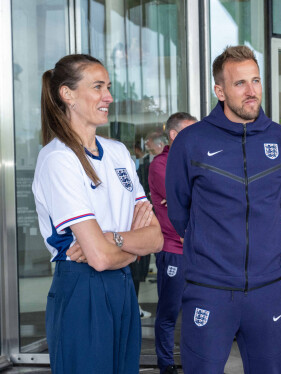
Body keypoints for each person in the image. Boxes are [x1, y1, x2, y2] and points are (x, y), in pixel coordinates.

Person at [165, 45, 281, 374]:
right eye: (240, 83)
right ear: (220, 90)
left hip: (267, 290)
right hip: (209, 290)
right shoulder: (191, 141)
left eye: (255, 80)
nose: (252, 91)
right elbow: (179, 210)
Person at [33, 54, 163, 373]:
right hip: (80, 287)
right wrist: (131, 249)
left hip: (120, 286)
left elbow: (156, 238)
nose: (109, 96)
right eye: (98, 87)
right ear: (68, 94)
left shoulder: (118, 152)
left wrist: (112, 240)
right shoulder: (58, 159)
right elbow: (100, 258)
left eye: (108, 86)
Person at [150, 112, 197, 374]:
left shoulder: (196, 161)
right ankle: (166, 365)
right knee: (169, 314)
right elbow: (188, 197)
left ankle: (195, 364)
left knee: (197, 314)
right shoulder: (160, 164)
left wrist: (189, 196)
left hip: (200, 251)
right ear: (174, 135)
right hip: (174, 251)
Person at [132, 130, 168, 319]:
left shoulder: (165, 163)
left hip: (164, 227)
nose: (146, 147)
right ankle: (133, 306)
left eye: (149, 144)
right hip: (145, 223)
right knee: (138, 266)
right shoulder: (146, 165)